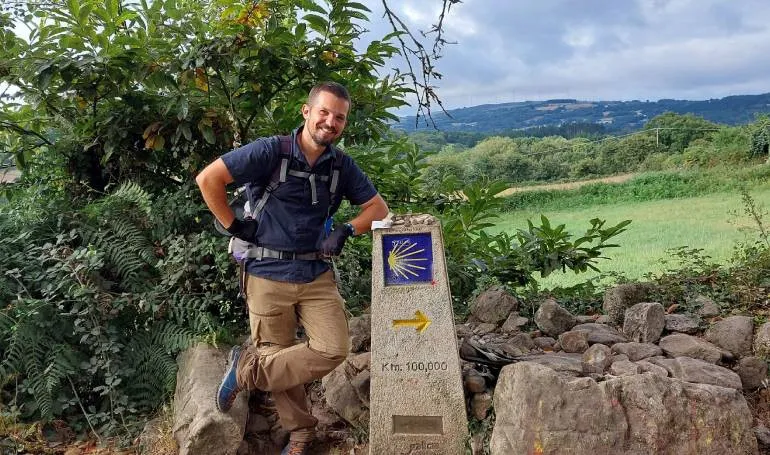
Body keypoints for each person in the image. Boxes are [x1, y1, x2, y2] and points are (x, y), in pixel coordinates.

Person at [195, 81, 388, 455]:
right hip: (266, 273)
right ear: (307, 111)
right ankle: (300, 435)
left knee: (333, 349)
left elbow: (378, 209)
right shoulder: (271, 151)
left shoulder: (340, 165)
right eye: (324, 112)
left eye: (339, 117)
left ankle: (246, 371)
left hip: (315, 274)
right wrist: (234, 226)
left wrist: (347, 229)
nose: (330, 122)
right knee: (279, 353)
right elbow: (209, 179)